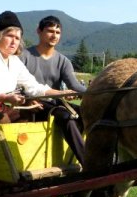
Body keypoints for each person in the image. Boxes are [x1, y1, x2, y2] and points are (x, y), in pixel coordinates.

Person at [20, 15, 87, 164]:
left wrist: (96, 92)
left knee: (88, 114)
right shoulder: (24, 56)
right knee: (67, 116)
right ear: (39, 31)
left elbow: (75, 86)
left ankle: (103, 157)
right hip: (33, 105)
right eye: (50, 31)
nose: (54, 35)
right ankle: (88, 163)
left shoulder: (63, 61)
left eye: (57, 32)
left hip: (56, 103)